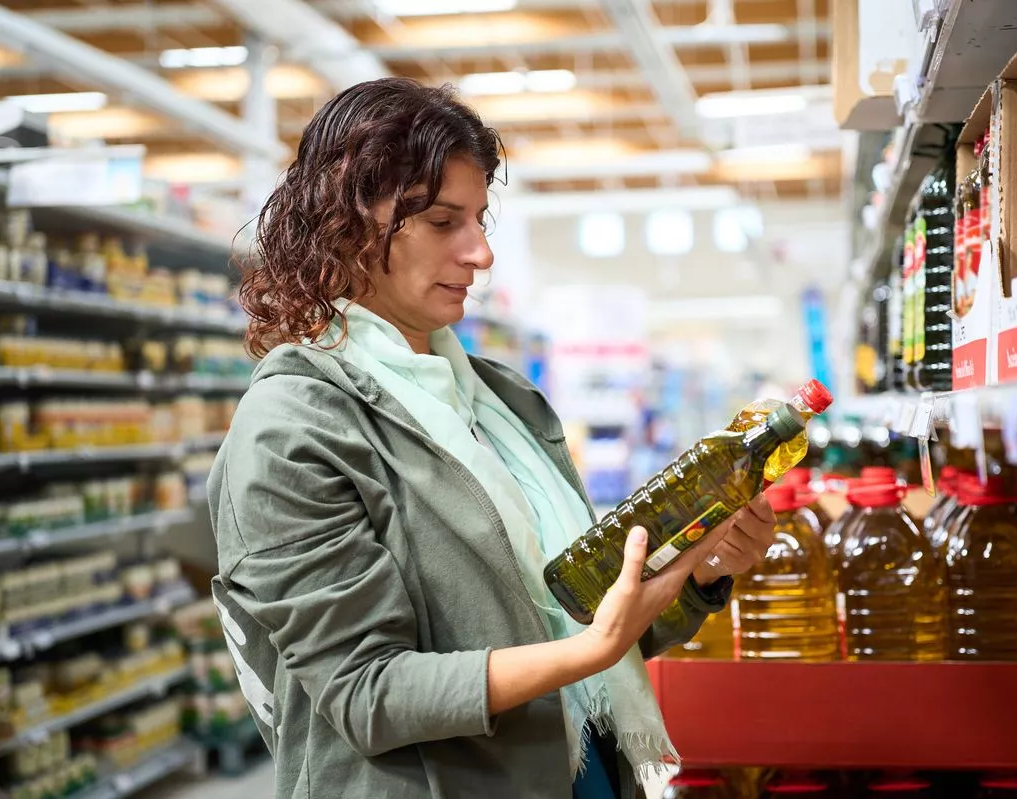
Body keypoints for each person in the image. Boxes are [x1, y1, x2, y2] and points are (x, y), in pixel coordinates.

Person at [209, 77, 777, 799]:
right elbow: (367, 692)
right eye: (445, 222)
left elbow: (584, 617)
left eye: (479, 218)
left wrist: (697, 571)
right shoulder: (292, 429)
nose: (481, 253)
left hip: (582, 772)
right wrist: (586, 650)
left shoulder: (500, 400)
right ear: (347, 225)